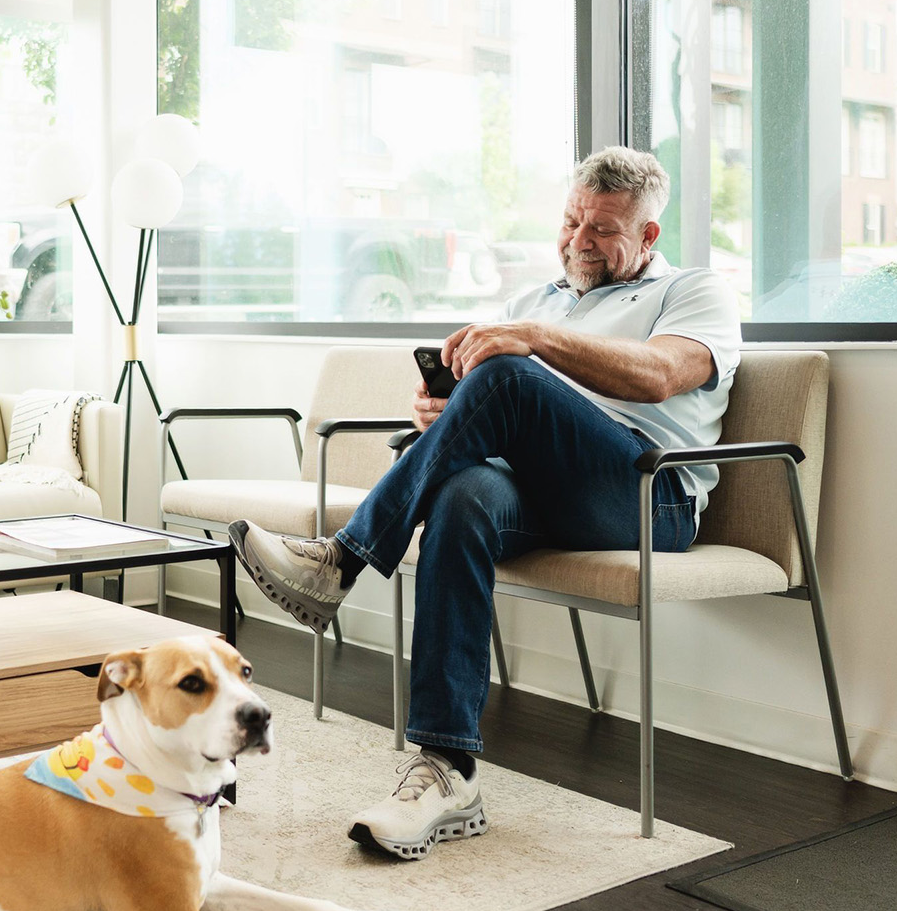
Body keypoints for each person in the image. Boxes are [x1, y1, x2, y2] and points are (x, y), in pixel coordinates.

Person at [228, 146, 741, 859]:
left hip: (644, 496)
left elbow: (660, 376)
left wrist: (523, 351)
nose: (578, 241)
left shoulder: (693, 291)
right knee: (464, 492)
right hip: (535, 489)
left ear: (648, 235)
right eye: (570, 221)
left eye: (602, 229)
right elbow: (491, 399)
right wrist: (437, 416)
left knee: (504, 376)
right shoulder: (533, 300)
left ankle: (341, 560)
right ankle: (448, 772)